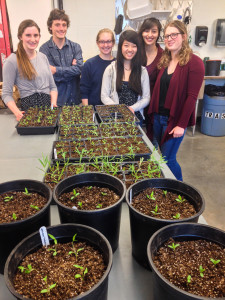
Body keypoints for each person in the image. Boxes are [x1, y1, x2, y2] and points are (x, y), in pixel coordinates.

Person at [147, 20, 205, 181]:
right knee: (161, 157)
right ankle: (168, 186)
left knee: (168, 159)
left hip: (174, 121)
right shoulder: (165, 61)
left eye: (174, 34)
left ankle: (180, 191)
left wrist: (181, 124)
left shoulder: (195, 63)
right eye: (166, 36)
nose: (169, 39)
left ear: (184, 37)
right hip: (158, 118)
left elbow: (191, 97)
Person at [2, 19, 57, 121]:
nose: (33, 39)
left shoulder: (43, 57)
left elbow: (53, 87)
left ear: (39, 36)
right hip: (28, 111)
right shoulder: (12, 61)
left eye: (36, 35)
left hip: (48, 109)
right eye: (28, 35)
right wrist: (17, 112)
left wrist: (53, 103)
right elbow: (6, 94)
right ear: (20, 37)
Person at [101, 30, 150, 123]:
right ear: (121, 47)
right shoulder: (110, 69)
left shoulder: (142, 71)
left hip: (136, 117)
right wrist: (120, 109)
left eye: (134, 46)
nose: (130, 49)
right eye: (126, 45)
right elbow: (104, 96)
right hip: (115, 117)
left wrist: (131, 108)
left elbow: (146, 98)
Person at [39, 9, 83, 106]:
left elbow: (79, 70)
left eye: (64, 25)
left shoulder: (76, 47)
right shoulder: (44, 49)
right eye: (57, 25)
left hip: (75, 99)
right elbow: (49, 76)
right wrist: (71, 70)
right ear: (50, 27)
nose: (61, 28)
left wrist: (56, 70)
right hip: (57, 101)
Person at [80, 28, 115, 106]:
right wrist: (87, 111)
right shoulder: (89, 64)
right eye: (102, 42)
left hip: (114, 110)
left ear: (113, 43)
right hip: (94, 111)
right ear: (97, 43)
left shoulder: (118, 64)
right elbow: (84, 91)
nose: (105, 45)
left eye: (108, 41)